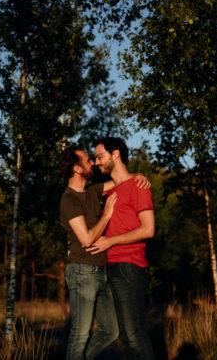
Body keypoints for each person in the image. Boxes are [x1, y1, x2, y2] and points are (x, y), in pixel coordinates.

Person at [59, 145, 150, 360]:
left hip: (101, 271)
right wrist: (107, 215)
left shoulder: (92, 191)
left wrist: (139, 176)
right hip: (82, 272)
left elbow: (122, 180)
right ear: (77, 169)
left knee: (111, 330)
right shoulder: (69, 200)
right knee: (79, 334)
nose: (92, 162)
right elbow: (87, 239)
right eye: (87, 160)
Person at [87, 137, 156, 360]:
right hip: (110, 268)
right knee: (125, 336)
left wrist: (110, 241)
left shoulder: (139, 186)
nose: (97, 162)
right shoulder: (110, 190)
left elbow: (148, 229)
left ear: (115, 154)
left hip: (130, 267)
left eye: (100, 156)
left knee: (134, 335)